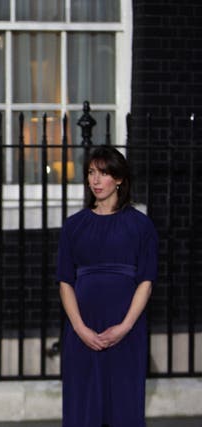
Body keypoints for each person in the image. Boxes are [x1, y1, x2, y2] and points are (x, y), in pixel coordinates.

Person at [56, 145, 158, 427]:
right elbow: (65, 281)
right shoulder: (74, 226)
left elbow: (146, 282)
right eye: (91, 173)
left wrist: (124, 327)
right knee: (82, 409)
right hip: (82, 328)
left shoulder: (141, 226)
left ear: (120, 179)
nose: (95, 181)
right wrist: (80, 329)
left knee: (124, 407)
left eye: (103, 173)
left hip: (127, 329)